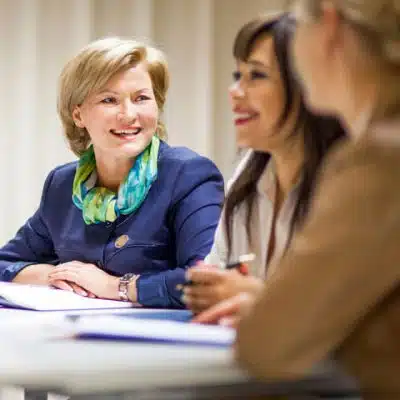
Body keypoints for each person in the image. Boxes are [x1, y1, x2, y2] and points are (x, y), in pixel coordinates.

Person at [195, 1, 400, 398]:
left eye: (257, 75)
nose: (236, 91)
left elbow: (266, 345)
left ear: (329, 22)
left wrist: (269, 307)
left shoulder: (381, 159)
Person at [0, 37, 224, 308]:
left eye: (141, 98)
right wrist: (53, 275)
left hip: (157, 339)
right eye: (109, 100)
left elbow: (204, 280)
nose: (129, 114)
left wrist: (116, 287)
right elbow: (5, 263)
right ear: (78, 116)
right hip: (71, 335)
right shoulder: (62, 185)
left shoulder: (189, 175)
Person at [183, 13, 345, 314]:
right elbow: (214, 280)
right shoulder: (248, 173)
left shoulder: (349, 182)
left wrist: (260, 298)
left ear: (306, 86)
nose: (235, 92)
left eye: (256, 76)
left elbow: (348, 316)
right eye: (237, 76)